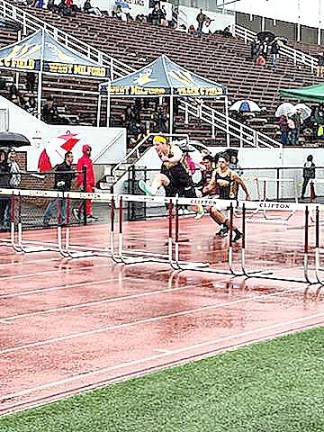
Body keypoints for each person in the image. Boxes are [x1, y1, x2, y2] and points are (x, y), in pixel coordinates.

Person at [203, 153, 250, 242]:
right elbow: (212, 184)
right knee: (209, 209)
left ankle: (227, 227)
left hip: (230, 200)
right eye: (219, 162)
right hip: (221, 198)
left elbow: (242, 184)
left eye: (222, 162)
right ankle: (233, 230)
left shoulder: (232, 174)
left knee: (213, 210)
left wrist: (247, 194)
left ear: (227, 163)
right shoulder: (216, 172)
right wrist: (207, 188)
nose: (220, 164)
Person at [138, 136, 196, 200]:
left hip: (183, 180)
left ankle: (201, 209)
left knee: (193, 204)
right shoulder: (160, 153)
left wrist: (168, 160)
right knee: (159, 177)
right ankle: (152, 190)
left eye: (157, 145)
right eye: (154, 145)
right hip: (171, 180)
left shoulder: (174, 148)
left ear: (164, 144)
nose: (155, 147)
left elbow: (178, 157)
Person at [43, 151, 75, 226]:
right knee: (53, 204)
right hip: (59, 189)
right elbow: (58, 176)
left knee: (63, 205)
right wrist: (60, 182)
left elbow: (72, 176)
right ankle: (46, 219)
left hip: (66, 189)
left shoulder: (69, 167)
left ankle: (63, 220)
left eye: (72, 157)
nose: (72, 158)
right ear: (67, 157)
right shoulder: (61, 167)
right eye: (71, 157)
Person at [73, 145, 98, 221]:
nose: (89, 152)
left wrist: (93, 184)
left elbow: (92, 173)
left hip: (89, 183)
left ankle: (82, 211)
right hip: (85, 183)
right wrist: (80, 183)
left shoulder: (89, 161)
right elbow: (80, 172)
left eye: (89, 150)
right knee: (87, 198)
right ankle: (87, 214)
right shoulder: (81, 160)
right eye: (87, 150)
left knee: (88, 198)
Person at [0, 150, 10, 228]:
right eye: (2, 155)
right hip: (1, 188)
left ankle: (2, 223)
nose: (3, 157)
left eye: (4, 155)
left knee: (3, 208)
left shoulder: (6, 165)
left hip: (6, 188)